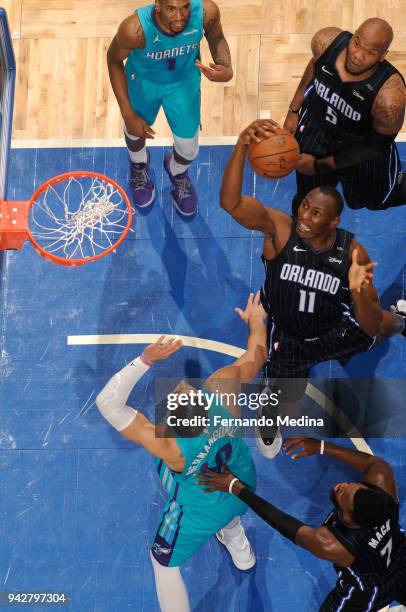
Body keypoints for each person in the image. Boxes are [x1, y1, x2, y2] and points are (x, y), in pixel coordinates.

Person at [220, 119, 406, 455]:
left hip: (335, 327)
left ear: (334, 221)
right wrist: (240, 147)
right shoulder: (279, 229)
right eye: (305, 205)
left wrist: (357, 292)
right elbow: (231, 204)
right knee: (285, 403)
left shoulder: (353, 254)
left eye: (316, 213)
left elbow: (367, 323)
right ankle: (271, 413)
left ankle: (403, 319)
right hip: (290, 337)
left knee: (381, 325)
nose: (305, 215)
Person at [95, 292, 267, 612]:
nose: (180, 386)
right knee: (224, 508)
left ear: (172, 423)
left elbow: (107, 404)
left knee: (162, 562)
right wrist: (257, 321)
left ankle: (234, 542)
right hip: (243, 486)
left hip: (204, 508)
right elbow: (257, 354)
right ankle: (241, 549)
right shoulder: (223, 388)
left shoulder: (168, 447)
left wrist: (145, 360)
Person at [197, 438, 406, 611]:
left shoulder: (332, 544)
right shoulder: (382, 480)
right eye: (352, 485)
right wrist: (320, 446)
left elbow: (281, 521)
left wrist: (235, 487)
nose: (343, 485)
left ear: (350, 519)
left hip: (368, 589)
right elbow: (372, 464)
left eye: (343, 495)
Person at [107, 0, 232, 216]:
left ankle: (177, 171)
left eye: (185, 7)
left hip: (183, 83)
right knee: (135, 132)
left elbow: (216, 37)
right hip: (144, 82)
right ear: (157, 5)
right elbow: (113, 60)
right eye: (171, 8)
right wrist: (127, 114)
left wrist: (226, 66)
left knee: (188, 149)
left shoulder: (206, 12)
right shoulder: (134, 29)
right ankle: (138, 165)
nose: (180, 17)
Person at [283, 18, 406, 214]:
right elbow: (316, 64)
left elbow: (375, 146)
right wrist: (294, 110)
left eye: (371, 52)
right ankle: (298, 239)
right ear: (353, 35)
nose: (358, 55)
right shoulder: (325, 42)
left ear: (383, 56)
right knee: (307, 199)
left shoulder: (389, 98)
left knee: (374, 200)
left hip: (361, 146)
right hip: (319, 128)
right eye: (357, 43)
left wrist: (319, 165)